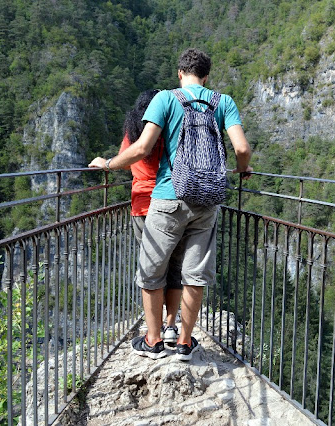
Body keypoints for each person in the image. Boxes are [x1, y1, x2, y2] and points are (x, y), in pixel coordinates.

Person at [89, 48, 253, 361]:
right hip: (206, 200)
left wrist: (108, 163)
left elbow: (141, 148)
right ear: (207, 76)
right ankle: (183, 342)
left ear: (180, 73)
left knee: (151, 271)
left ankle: (152, 341)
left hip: (167, 197)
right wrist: (243, 168)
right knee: (193, 274)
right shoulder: (224, 102)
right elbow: (241, 147)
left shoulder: (166, 98)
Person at [118, 89, 181, 347]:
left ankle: (151, 334)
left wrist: (107, 163)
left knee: (152, 270)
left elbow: (126, 160)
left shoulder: (133, 132)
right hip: (171, 203)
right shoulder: (169, 130)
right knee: (174, 268)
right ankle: (170, 326)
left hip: (143, 206)